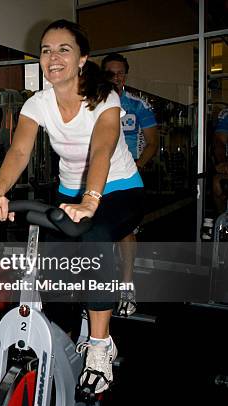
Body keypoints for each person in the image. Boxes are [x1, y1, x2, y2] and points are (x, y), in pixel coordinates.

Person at [0, 20, 144, 395]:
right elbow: (20, 150)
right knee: (53, 263)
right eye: (45, 50)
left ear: (82, 59)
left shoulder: (105, 97)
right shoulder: (38, 103)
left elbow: (101, 148)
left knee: (95, 236)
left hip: (119, 188)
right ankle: (63, 338)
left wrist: (91, 201)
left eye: (63, 49)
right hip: (69, 192)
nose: (52, 57)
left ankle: (101, 345)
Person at [101, 52, 158, 316]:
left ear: (125, 75)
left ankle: (126, 286)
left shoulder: (138, 105)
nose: (115, 77)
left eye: (120, 72)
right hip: (97, 177)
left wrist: (138, 164)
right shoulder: (92, 103)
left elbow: (153, 142)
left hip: (125, 178)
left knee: (125, 231)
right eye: (110, 73)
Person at [212, 107, 228, 213]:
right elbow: (219, 142)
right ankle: (223, 220)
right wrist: (224, 163)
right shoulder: (226, 114)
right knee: (217, 181)